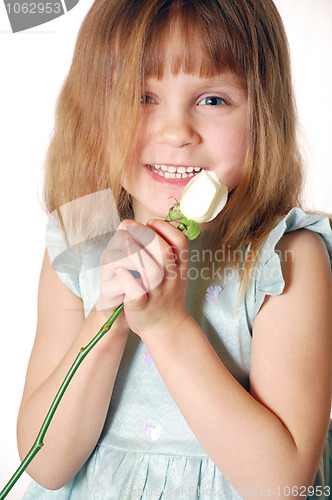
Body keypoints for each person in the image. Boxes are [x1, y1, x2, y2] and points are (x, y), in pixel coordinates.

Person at [18, 0, 332, 498]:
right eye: (142, 97)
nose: (175, 132)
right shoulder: (80, 236)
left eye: (211, 100)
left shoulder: (287, 255)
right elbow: (46, 465)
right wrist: (106, 316)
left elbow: (285, 487)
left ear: (262, 113)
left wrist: (166, 325)